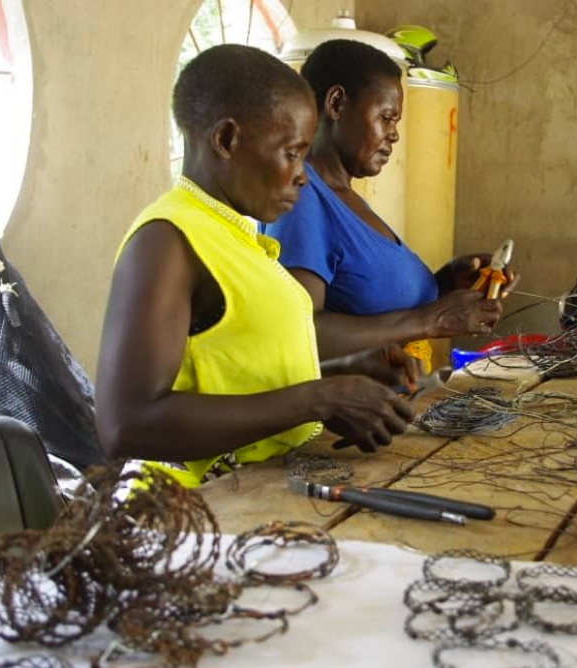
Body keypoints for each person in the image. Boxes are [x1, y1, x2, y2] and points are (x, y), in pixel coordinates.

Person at [95, 45, 416, 487]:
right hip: (192, 514)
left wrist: (346, 376)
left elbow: (232, 374)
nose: (303, 175)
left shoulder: (234, 237)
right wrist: (318, 399)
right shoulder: (167, 239)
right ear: (227, 140)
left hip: (255, 498)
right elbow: (126, 423)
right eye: (291, 153)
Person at [263, 39, 512, 369]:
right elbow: (302, 333)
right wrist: (432, 319)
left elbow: (371, 303)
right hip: (345, 415)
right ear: (336, 104)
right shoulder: (303, 199)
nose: (394, 135)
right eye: (386, 117)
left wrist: (447, 281)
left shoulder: (346, 197)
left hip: (395, 402)